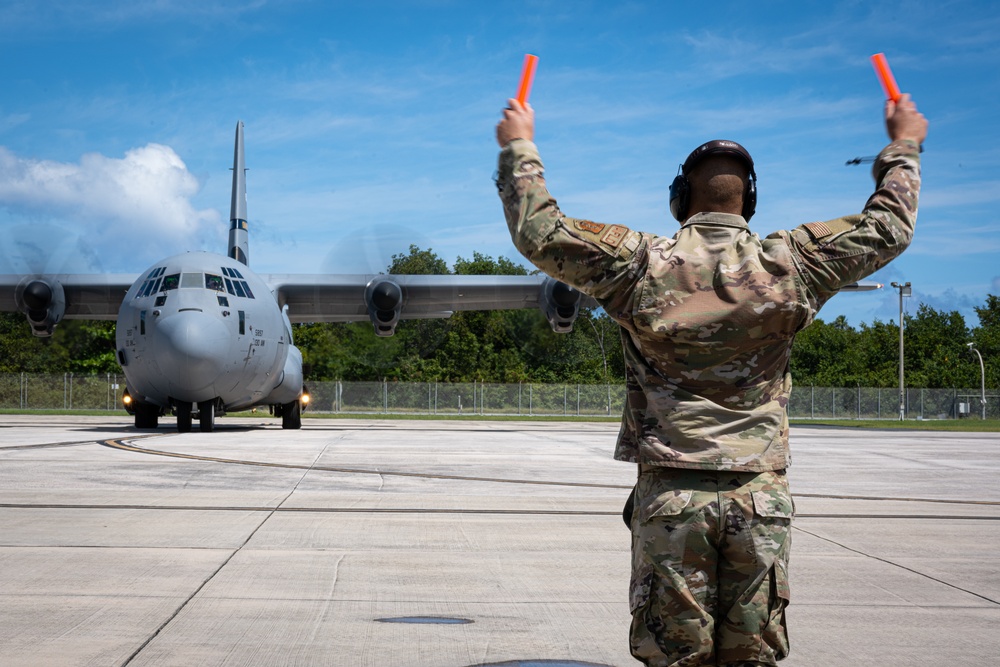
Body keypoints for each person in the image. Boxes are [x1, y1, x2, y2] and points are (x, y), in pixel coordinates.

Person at [495, 94, 928, 666]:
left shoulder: (640, 264)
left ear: (679, 200)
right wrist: (903, 146)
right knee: (751, 657)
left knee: (675, 656)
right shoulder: (791, 263)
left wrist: (518, 144)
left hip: (672, 495)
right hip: (759, 497)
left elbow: (541, 233)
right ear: (749, 198)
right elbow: (888, 227)